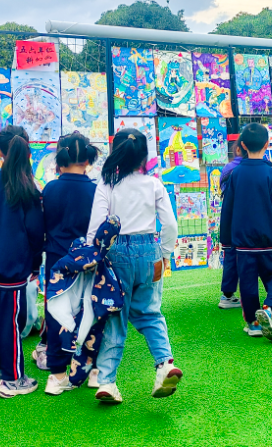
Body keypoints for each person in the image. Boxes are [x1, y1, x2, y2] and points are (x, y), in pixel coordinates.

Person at [88, 128, 182, 405]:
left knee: (115, 317)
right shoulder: (154, 184)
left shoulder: (107, 184)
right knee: (150, 313)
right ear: (144, 155)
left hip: (116, 253)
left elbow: (96, 227)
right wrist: (164, 253)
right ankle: (164, 364)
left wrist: (95, 257)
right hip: (150, 253)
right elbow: (170, 224)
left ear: (115, 151)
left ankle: (107, 382)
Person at [0, 126, 45, 398]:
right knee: (11, 322)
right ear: (27, 149)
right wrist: (35, 265)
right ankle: (13, 379)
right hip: (14, 266)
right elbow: (35, 232)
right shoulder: (29, 187)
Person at [39, 131, 99, 395]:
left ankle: (57, 375)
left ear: (60, 160)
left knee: (57, 314)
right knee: (91, 312)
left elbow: (43, 226)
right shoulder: (96, 191)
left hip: (57, 261)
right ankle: (94, 371)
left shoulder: (50, 189)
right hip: (89, 262)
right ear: (87, 160)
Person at [220, 123, 272, 342]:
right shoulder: (271, 173)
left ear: (241, 145)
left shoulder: (235, 173)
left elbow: (228, 207)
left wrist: (226, 239)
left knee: (247, 282)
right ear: (267, 144)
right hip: (269, 239)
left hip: (243, 241)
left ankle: (253, 324)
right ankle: (270, 307)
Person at [217, 139, 243, 310]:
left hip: (229, 217)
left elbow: (223, 189)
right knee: (262, 254)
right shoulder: (250, 168)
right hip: (247, 217)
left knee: (231, 256)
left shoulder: (229, 167)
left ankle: (227, 295)